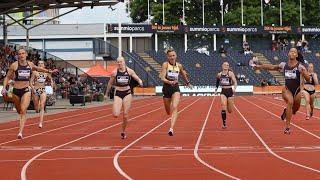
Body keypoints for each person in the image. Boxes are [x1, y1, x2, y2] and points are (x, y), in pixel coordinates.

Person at [1, 48, 57, 139]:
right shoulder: (14, 65)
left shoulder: (30, 64)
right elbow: (7, 77)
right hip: (16, 90)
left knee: (23, 110)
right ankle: (23, 114)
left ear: (26, 54)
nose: (21, 55)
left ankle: (20, 133)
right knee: (19, 110)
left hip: (26, 90)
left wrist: (49, 71)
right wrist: (4, 88)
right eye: (19, 54)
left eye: (23, 53)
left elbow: (39, 68)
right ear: (18, 55)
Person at [252, 48, 310, 134]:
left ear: (296, 55)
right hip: (287, 89)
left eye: (294, 52)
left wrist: (304, 73)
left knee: (294, 110)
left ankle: (285, 112)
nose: (292, 53)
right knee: (290, 102)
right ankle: (287, 127)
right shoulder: (283, 65)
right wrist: (259, 66)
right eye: (291, 51)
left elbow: (308, 79)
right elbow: (271, 67)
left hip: (297, 91)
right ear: (288, 53)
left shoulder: (300, 67)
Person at [105, 56, 143, 139]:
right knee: (115, 115)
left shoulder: (129, 71)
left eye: (121, 62)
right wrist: (106, 94)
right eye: (118, 62)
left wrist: (140, 81)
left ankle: (123, 131)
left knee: (125, 115)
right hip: (118, 93)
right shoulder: (114, 72)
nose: (119, 63)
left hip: (127, 93)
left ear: (124, 62)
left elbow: (137, 78)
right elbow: (110, 84)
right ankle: (116, 106)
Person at [160, 49, 192, 136]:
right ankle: (169, 109)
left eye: (173, 55)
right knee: (168, 111)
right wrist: (170, 82)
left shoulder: (179, 66)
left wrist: (188, 83)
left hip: (175, 88)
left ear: (176, 56)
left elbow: (183, 74)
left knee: (175, 106)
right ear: (168, 57)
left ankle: (171, 128)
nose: (172, 57)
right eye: (170, 56)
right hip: (166, 89)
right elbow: (162, 78)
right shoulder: (165, 65)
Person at [30, 60, 54, 128]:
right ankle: (37, 109)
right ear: (37, 65)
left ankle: (40, 123)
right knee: (37, 108)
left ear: (44, 65)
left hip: (43, 90)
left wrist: (52, 83)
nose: (40, 64)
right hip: (35, 90)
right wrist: (33, 88)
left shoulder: (46, 73)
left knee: (42, 106)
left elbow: (51, 79)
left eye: (42, 63)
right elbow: (30, 82)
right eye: (39, 63)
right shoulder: (34, 72)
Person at [215, 62, 237, 129]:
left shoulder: (230, 73)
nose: (226, 66)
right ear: (222, 66)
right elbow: (217, 82)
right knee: (223, 105)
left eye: (227, 65)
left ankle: (228, 104)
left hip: (230, 91)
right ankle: (224, 123)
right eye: (224, 65)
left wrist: (234, 88)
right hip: (223, 92)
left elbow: (235, 82)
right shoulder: (219, 74)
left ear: (228, 66)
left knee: (230, 110)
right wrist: (216, 89)